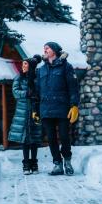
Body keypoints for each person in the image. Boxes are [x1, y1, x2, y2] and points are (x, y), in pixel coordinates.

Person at [35, 42, 79, 176]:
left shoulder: (66, 66)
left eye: (47, 48)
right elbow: (37, 91)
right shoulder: (41, 70)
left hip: (62, 108)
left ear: (54, 50)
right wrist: (35, 110)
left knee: (64, 137)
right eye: (44, 48)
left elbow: (73, 87)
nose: (45, 50)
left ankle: (67, 161)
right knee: (51, 139)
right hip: (46, 109)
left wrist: (74, 105)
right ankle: (57, 164)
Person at [8, 54, 42, 175]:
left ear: (31, 66)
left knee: (34, 138)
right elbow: (15, 92)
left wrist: (36, 96)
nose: (23, 66)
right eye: (22, 64)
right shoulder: (19, 77)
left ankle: (34, 163)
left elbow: (41, 92)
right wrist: (26, 93)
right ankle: (26, 164)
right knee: (25, 139)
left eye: (25, 64)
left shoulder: (37, 78)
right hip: (22, 111)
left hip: (35, 110)